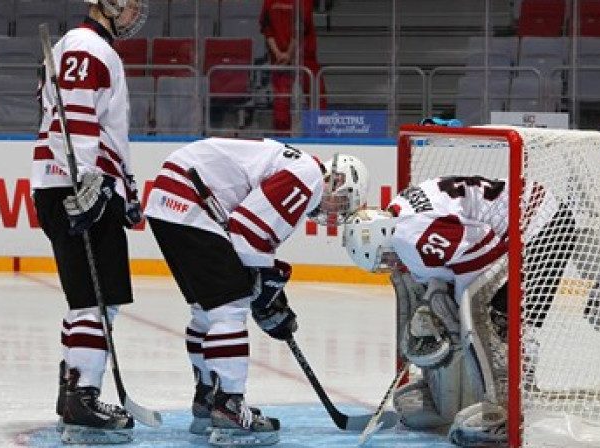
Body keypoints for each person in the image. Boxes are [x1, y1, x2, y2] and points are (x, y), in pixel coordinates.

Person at [142, 138, 368, 446]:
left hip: (169, 203)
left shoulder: (296, 168)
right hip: (190, 200)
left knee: (206, 311)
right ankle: (230, 406)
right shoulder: (309, 176)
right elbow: (248, 231)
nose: (333, 212)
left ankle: (207, 402)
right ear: (337, 179)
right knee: (229, 309)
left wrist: (267, 290)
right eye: (341, 202)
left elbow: (250, 238)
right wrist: (265, 293)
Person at [342, 174, 577, 447]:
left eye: (385, 257)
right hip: (529, 210)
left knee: (495, 322)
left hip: (542, 225)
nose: (391, 264)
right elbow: (452, 259)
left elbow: (485, 251)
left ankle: (510, 406)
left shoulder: (411, 238)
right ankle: (514, 393)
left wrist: (457, 316)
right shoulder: (399, 218)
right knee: (490, 319)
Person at [31, 0, 147, 444]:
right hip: (76, 186)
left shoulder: (85, 46)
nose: (136, 12)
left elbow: (100, 127)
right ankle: (83, 395)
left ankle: (73, 392)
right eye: (131, 4)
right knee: (94, 302)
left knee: (92, 300)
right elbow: (73, 121)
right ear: (109, 4)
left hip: (81, 184)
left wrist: (125, 190)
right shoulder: (85, 46)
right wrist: (89, 186)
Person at [260, 0, 327, 134]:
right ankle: (319, 135)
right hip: (302, 55)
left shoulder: (269, 1)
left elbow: (267, 29)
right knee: (316, 97)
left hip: (281, 58)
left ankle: (282, 139)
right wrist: (287, 55)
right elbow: (301, 28)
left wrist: (279, 54)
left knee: (282, 100)